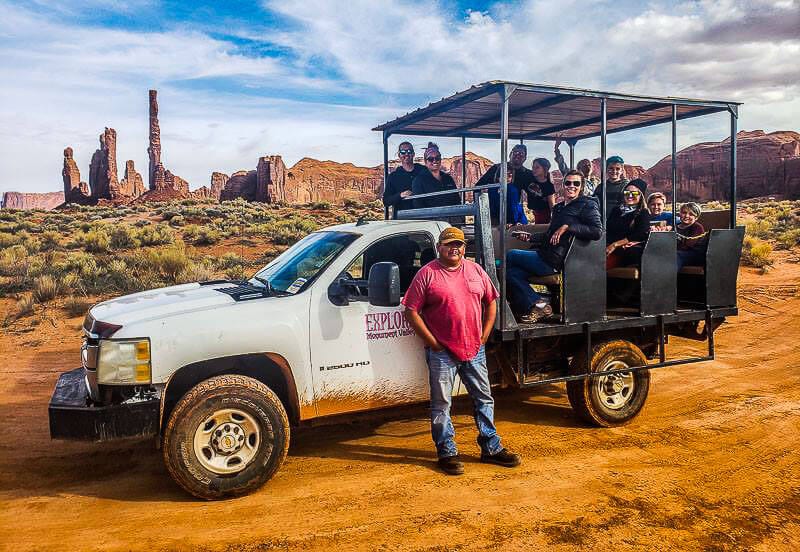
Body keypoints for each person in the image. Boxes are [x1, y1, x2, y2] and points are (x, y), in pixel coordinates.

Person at [403, 227, 521, 475]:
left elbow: (491, 300)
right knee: (441, 404)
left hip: (474, 349)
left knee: (483, 399)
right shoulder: (427, 274)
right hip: (442, 352)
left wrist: (485, 333)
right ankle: (446, 452)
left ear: (464, 248)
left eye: (458, 244)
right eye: (448, 244)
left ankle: (491, 448)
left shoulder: (475, 270)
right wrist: (432, 342)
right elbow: (411, 310)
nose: (454, 248)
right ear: (439, 248)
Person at [506, 171, 603, 323]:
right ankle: (539, 305)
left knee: (510, 255)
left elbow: (597, 231)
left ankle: (523, 304)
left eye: (576, 183)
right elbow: (550, 235)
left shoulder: (587, 204)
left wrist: (568, 226)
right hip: (545, 253)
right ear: (563, 185)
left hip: (557, 259)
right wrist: (530, 237)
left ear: (581, 186)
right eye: (568, 183)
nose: (571, 186)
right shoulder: (558, 208)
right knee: (511, 273)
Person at [477, 143, 533, 225]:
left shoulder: (527, 174)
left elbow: (537, 191)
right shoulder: (497, 168)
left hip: (513, 216)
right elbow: (477, 187)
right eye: (515, 152)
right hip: (493, 215)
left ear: (525, 158)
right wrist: (481, 210)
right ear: (510, 154)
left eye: (521, 154)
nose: (518, 155)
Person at [605, 178, 650, 269]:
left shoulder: (643, 213)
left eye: (634, 193)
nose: (630, 195)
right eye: (627, 192)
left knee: (600, 267)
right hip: (607, 246)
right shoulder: (616, 210)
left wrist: (616, 244)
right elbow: (607, 229)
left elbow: (640, 234)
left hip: (623, 250)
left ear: (641, 195)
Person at [411, 143, 460, 209]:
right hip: (432, 218)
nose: (434, 161)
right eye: (431, 159)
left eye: (437, 158)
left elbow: (457, 200)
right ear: (425, 162)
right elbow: (418, 206)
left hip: (452, 216)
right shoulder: (418, 181)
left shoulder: (448, 178)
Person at [382, 141, 425, 215]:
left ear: (413, 154)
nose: (406, 154)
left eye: (409, 151)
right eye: (403, 152)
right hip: (403, 218)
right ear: (399, 155)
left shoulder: (423, 171)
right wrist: (400, 195)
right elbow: (386, 201)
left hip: (425, 214)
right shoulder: (393, 176)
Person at [676, 202, 706, 271]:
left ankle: (669, 277)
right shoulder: (675, 226)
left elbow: (688, 244)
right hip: (678, 253)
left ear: (696, 217)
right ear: (679, 214)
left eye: (691, 214)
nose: (686, 216)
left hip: (694, 254)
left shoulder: (697, 227)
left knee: (676, 255)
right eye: (684, 212)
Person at [526, 157, 556, 223]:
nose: (534, 170)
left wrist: (554, 218)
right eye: (533, 167)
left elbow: (551, 204)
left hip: (543, 215)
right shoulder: (530, 178)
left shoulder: (548, 185)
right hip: (531, 213)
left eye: (537, 167)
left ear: (544, 169)